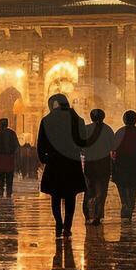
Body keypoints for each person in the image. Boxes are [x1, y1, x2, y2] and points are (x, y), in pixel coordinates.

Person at [37, 94, 86, 237]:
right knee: (71, 195)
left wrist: (44, 158)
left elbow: (41, 142)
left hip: (54, 161)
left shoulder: (47, 120)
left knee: (55, 194)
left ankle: (58, 222)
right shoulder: (76, 119)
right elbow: (83, 141)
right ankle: (67, 226)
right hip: (71, 161)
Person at [77, 108, 116, 226]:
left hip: (90, 164)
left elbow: (81, 147)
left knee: (89, 190)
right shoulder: (108, 130)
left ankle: (88, 215)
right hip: (104, 164)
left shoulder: (86, 129)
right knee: (102, 190)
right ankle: (98, 215)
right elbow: (112, 146)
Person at [112, 109, 136, 220]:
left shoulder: (120, 131)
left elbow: (113, 146)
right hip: (135, 163)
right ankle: (130, 206)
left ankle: (124, 203)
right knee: (133, 187)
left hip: (121, 163)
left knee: (121, 184)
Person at [0, 118, 20, 197]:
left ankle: (0, 193)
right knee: (9, 179)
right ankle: (9, 193)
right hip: (9, 159)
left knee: (0, 179)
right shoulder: (12, 133)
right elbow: (16, 145)